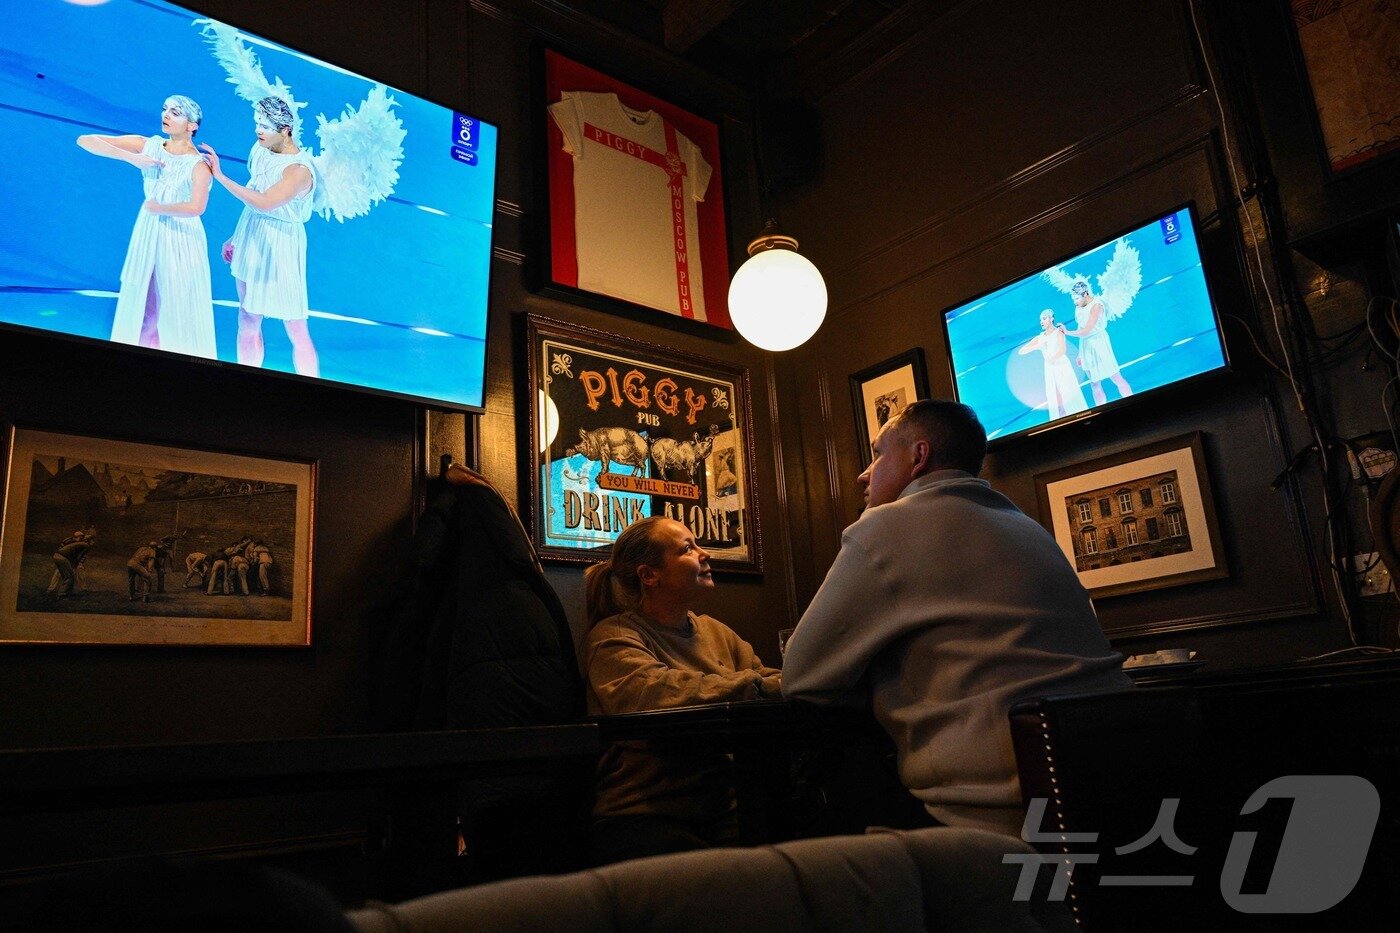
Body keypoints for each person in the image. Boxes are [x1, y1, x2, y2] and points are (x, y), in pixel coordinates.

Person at [781, 399, 1131, 838]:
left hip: (998, 814)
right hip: (1118, 784)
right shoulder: (1030, 528)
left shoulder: (883, 529)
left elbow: (800, 677)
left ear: (918, 456)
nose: (863, 475)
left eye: (877, 454)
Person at [583, 516, 781, 864]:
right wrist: (758, 686)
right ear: (649, 575)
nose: (705, 554)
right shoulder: (614, 637)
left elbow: (769, 678)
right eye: (687, 549)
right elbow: (658, 694)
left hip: (726, 806)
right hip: (646, 814)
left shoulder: (716, 632)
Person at [78, 96, 217, 359]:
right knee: (146, 308)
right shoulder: (149, 145)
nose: (166, 115)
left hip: (181, 239)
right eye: (165, 109)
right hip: (149, 230)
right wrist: (132, 158)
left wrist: (158, 208)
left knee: (175, 310)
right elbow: (86, 140)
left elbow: (196, 207)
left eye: (175, 112)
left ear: (192, 126)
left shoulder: (199, 165)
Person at [201, 96, 319, 376]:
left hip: (282, 243)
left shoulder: (299, 171)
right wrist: (236, 236)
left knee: (295, 326)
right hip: (252, 232)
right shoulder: (260, 149)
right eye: (257, 123)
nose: (258, 130)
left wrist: (220, 176)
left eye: (265, 126)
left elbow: (265, 202)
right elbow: (254, 195)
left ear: (285, 130)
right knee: (247, 316)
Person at [1062, 278, 1132, 406]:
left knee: (1116, 377)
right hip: (1086, 345)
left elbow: (1087, 330)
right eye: (1073, 299)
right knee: (1094, 384)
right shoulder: (1078, 308)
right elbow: (1081, 328)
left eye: (1077, 298)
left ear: (1085, 294)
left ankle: (1131, 401)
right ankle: (1101, 410)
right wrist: (1080, 353)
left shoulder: (1097, 306)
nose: (1075, 302)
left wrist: (1067, 332)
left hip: (1099, 343)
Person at [1017, 308, 1088, 420]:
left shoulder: (1058, 332)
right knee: (1055, 397)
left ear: (1051, 319)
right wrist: (1037, 346)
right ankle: (1062, 420)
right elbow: (1021, 351)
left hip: (1061, 365)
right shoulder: (1040, 338)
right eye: (1040, 320)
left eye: (1044, 319)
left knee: (1066, 393)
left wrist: (1051, 359)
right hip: (1050, 368)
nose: (1041, 322)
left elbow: (1062, 350)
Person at [49, 531, 95, 597]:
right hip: (64, 558)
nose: (93, 542)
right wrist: (74, 565)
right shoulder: (84, 545)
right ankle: (60, 593)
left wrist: (75, 564)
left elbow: (77, 555)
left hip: (62, 557)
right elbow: (78, 557)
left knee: (71, 575)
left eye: (82, 537)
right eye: (92, 540)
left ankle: (69, 591)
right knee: (69, 576)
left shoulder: (80, 543)